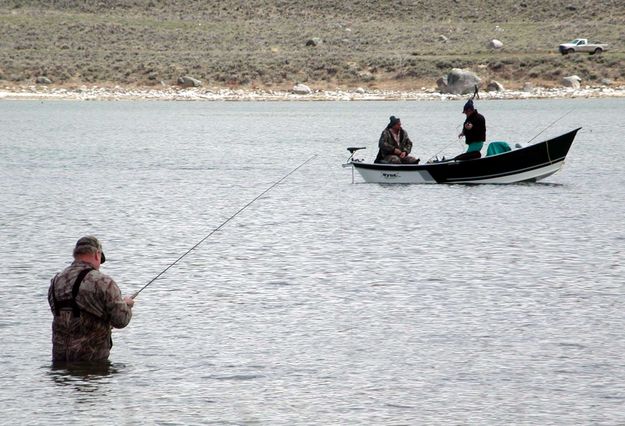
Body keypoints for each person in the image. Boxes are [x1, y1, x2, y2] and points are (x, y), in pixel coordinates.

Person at [48, 236, 134, 363]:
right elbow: (121, 321)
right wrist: (126, 306)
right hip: (92, 363)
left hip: (60, 363)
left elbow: (66, 316)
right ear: (97, 254)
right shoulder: (103, 282)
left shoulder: (56, 281)